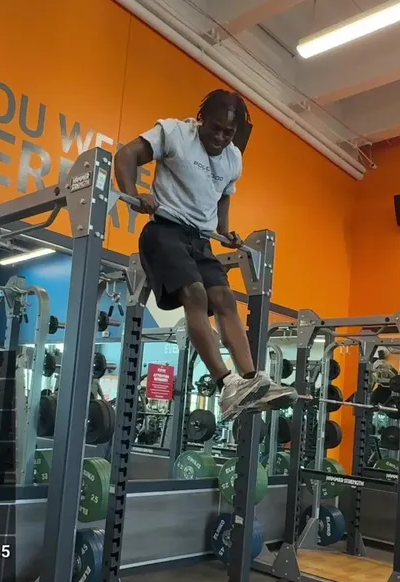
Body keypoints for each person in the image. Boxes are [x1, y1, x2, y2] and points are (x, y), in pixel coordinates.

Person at [114, 90, 295, 420]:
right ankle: (227, 385)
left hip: (201, 240)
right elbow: (125, 155)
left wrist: (225, 231)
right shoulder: (176, 133)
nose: (221, 137)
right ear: (202, 120)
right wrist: (133, 193)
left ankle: (252, 382)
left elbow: (223, 195)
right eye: (216, 128)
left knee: (225, 299)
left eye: (229, 132)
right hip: (164, 230)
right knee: (195, 294)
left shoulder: (233, 158)